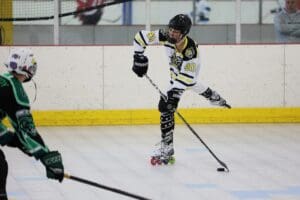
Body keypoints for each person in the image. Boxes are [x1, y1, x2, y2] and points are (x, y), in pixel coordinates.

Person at [132, 14, 229, 164]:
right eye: (170, 30)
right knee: (166, 107)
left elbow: (187, 77)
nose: (171, 33)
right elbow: (140, 37)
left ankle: (215, 98)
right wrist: (138, 56)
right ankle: (167, 145)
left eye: (176, 32)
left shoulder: (191, 51)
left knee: (190, 88)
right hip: (174, 77)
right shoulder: (165, 35)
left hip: (186, 78)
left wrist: (174, 96)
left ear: (184, 33)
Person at [0, 48, 64, 200]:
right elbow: (27, 129)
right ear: (26, 67)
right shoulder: (15, 90)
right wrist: (47, 156)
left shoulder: (3, 79)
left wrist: (9, 137)